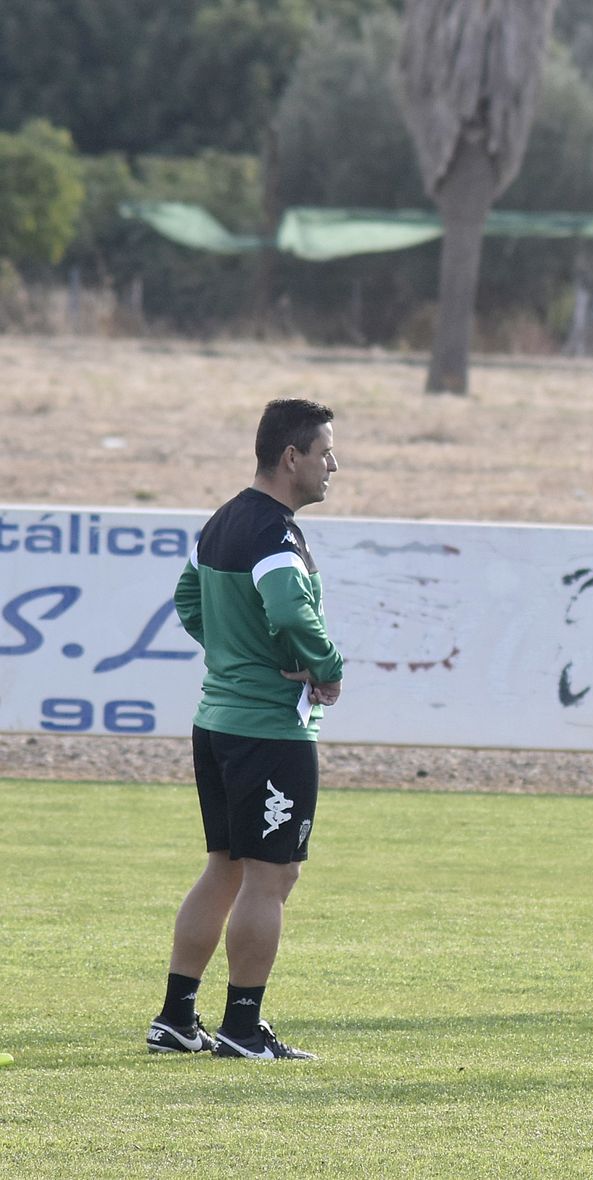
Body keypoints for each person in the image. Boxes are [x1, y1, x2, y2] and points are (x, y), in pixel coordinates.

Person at [145, 399, 344, 1060]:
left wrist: (232, 657)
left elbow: (187, 599)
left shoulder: (223, 520)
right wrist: (324, 667)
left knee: (224, 870)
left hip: (216, 721)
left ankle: (176, 1019)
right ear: (292, 458)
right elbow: (288, 608)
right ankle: (241, 1028)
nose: (332, 466)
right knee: (271, 878)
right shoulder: (274, 534)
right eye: (325, 453)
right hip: (269, 733)